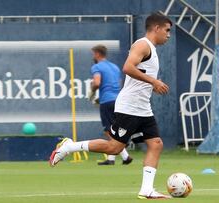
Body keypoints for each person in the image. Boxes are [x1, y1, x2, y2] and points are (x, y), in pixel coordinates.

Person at [49, 12, 172, 199]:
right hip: (129, 107)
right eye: (167, 30)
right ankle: (68, 147)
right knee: (114, 147)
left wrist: (150, 84)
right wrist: (153, 82)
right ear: (156, 28)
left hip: (142, 106)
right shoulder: (142, 45)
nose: (168, 34)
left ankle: (146, 189)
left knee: (156, 144)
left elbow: (137, 74)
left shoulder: (152, 50)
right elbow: (128, 67)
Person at [89, 44, 133, 165]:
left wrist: (91, 92)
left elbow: (97, 82)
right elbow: (119, 83)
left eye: (93, 54)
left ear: (97, 54)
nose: (93, 56)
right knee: (115, 129)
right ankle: (113, 159)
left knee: (108, 130)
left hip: (107, 101)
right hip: (118, 100)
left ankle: (124, 155)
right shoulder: (114, 67)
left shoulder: (97, 67)